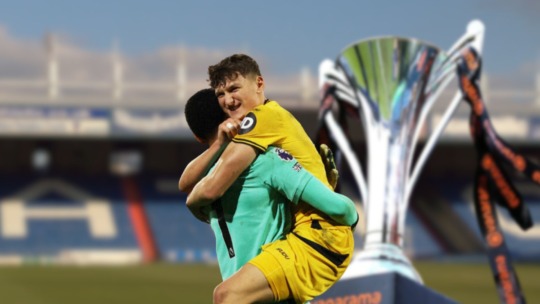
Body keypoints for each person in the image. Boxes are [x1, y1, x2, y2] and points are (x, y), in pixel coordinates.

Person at [182, 54, 356, 304]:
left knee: (226, 295)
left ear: (259, 84)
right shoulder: (268, 128)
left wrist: (193, 200)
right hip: (307, 235)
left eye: (234, 88)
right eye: (221, 94)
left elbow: (207, 187)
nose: (228, 100)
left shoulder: (261, 120)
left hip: (317, 235)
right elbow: (191, 181)